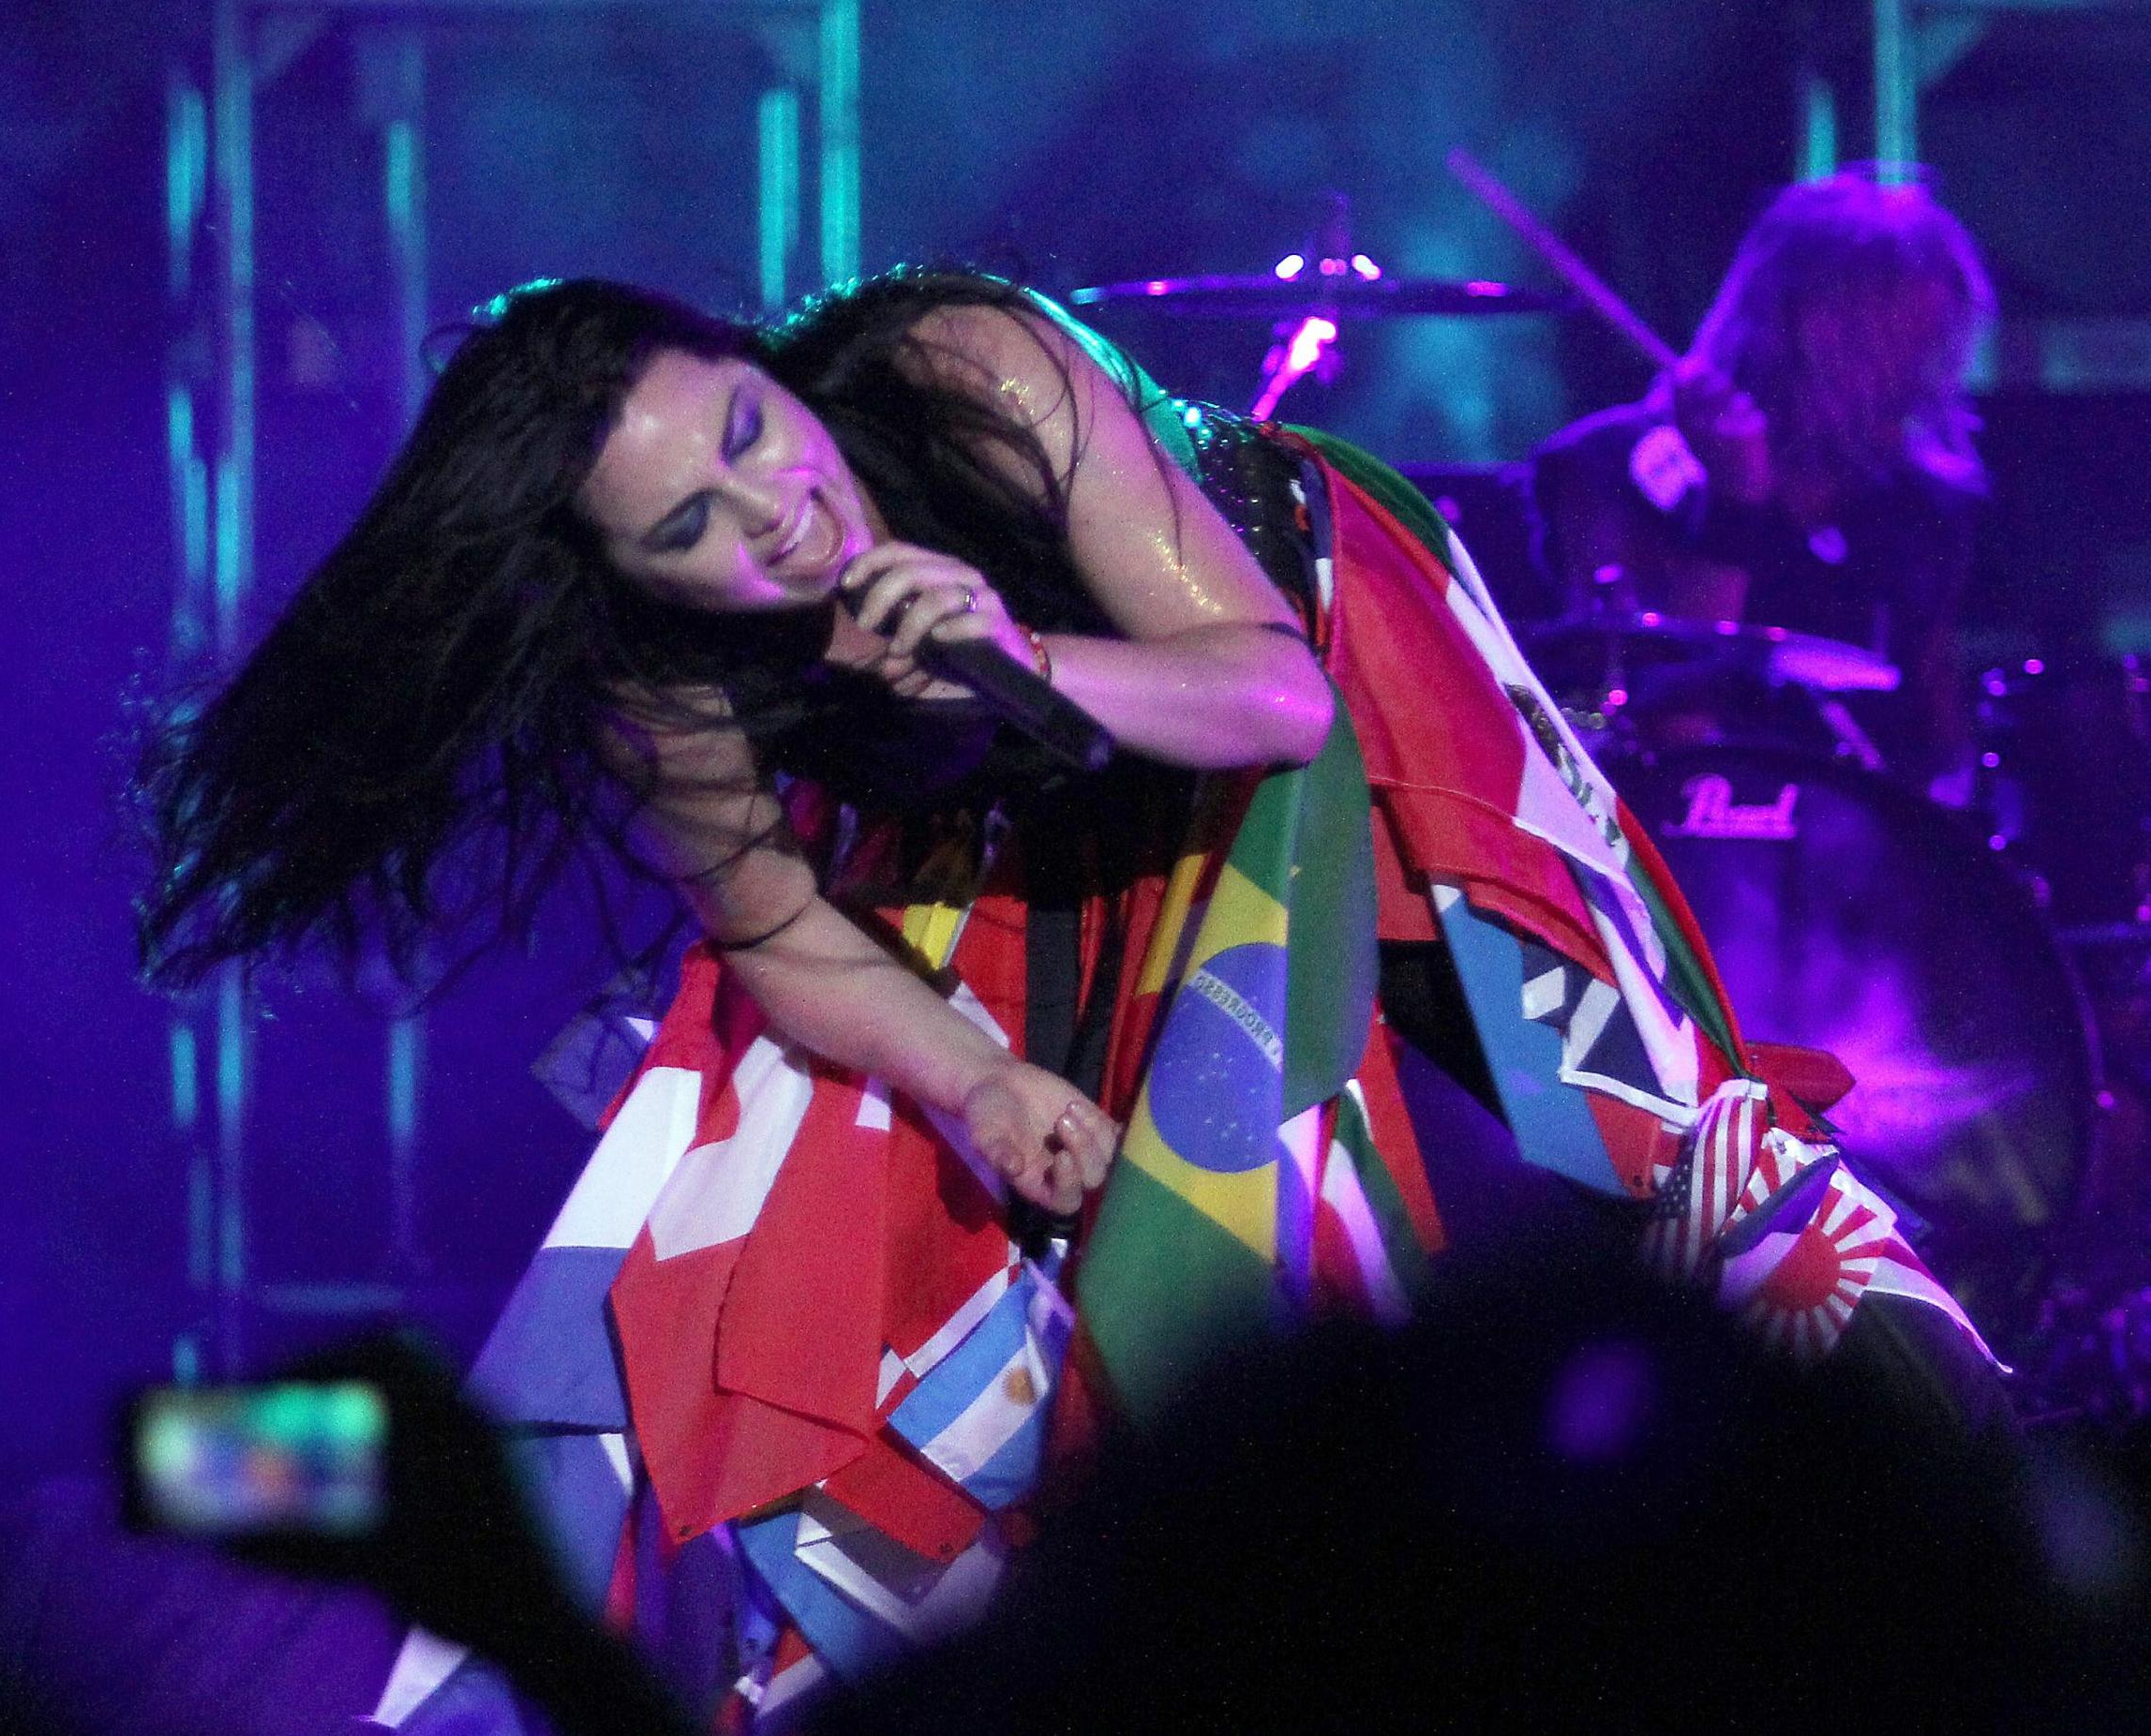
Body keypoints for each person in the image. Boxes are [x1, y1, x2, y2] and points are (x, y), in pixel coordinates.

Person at [137, 266, 2000, 1731]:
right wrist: (966, 1079)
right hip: (1029, 796)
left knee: (1632, 1097)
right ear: (619, 578)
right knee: (997, 1199)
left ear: (763, 360)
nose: (768, 513)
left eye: (747, 427)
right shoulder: (654, 682)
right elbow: (779, 928)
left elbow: (1274, 703)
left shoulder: (972, 369)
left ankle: (2001, 1527)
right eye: (688, 522)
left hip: (1314, 646)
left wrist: (1019, 650)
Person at [1530, 172, 1995, 792]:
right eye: (1900, 356)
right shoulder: (1613, 468)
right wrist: (1734, 506)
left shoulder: (1919, 503)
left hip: (1869, 863)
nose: (1923, 387)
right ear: (1811, 332)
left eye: (1939, 354)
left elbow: (1942, 742)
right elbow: (1662, 731)